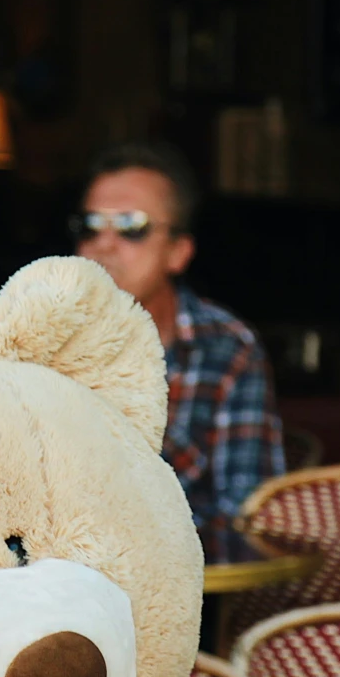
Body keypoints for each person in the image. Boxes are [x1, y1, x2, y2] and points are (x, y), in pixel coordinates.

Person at [72, 141, 283, 527]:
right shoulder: (43, 336)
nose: (103, 244)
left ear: (178, 252)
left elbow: (248, 517)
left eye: (131, 227)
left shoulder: (227, 350)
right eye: (91, 226)